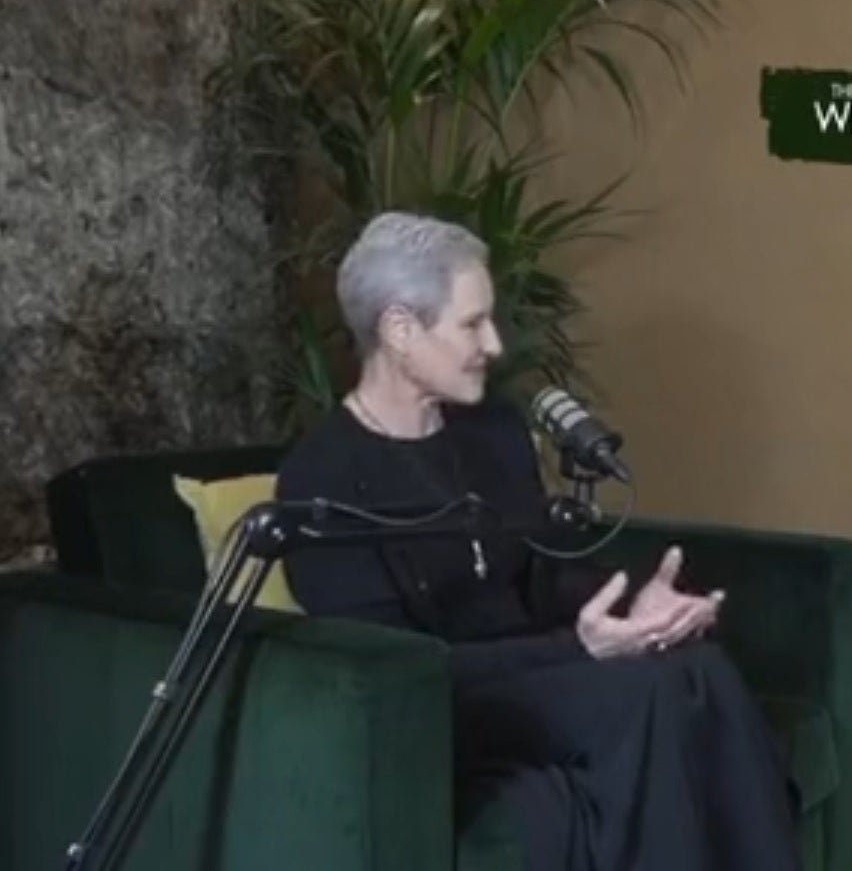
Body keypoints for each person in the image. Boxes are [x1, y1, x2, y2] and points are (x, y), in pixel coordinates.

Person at [276, 212, 803, 871]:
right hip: (442, 700)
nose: (493, 344)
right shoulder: (322, 477)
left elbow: (545, 573)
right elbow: (391, 666)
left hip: (541, 668)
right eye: (472, 323)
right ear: (400, 330)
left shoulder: (492, 433)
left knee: (698, 667)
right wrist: (577, 648)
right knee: (648, 695)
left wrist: (632, 611)